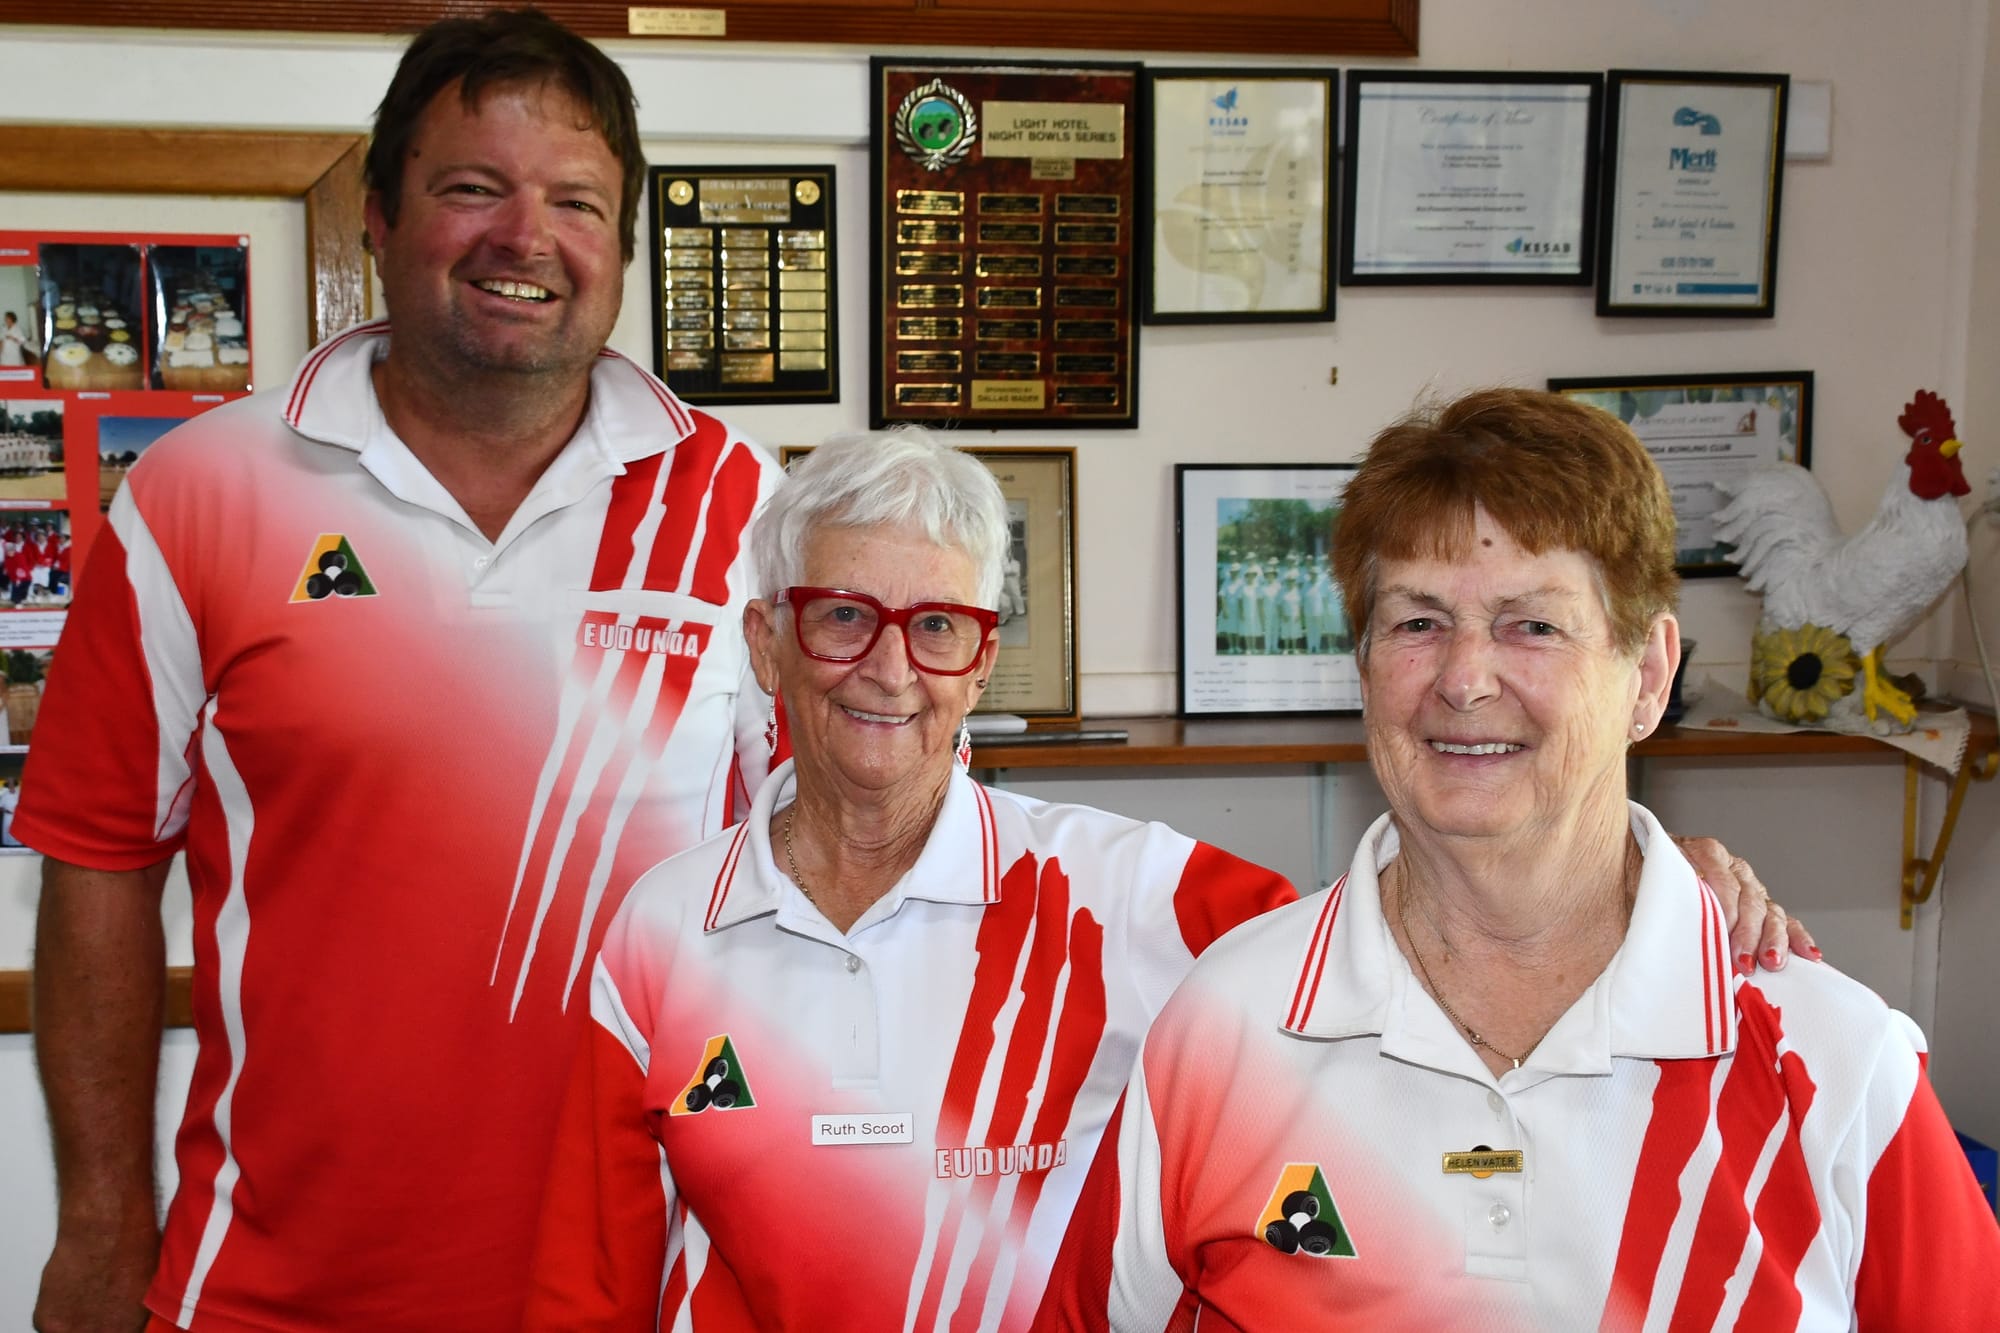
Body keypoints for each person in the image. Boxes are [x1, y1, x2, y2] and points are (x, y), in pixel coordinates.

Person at [523, 428, 1796, 1331]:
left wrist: (1622, 882)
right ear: (766, 640)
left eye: (938, 624)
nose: (887, 668)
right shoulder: (658, 934)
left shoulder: (1136, 894)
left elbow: (1419, 940)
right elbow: (584, 1288)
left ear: (984, 660)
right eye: (839, 615)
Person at [16, 10, 781, 1333]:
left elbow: (838, 878)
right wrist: (99, 1226)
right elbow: (96, 860)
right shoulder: (201, 492)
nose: (522, 238)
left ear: (623, 246)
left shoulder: (747, 507)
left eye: (576, 201)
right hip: (273, 1290)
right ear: (377, 216)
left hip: (651, 1285)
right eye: (471, 188)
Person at [1036, 388, 1996, 1331]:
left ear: (1649, 676)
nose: (1462, 679)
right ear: (1364, 666)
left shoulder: (1830, 1059)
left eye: (1531, 624)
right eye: (1417, 621)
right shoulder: (1225, 1027)